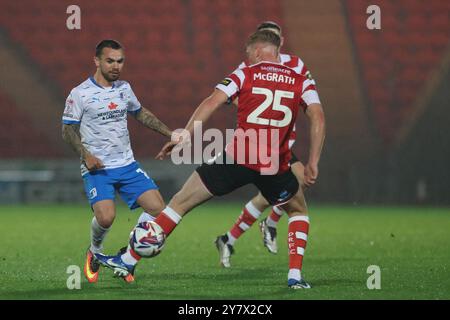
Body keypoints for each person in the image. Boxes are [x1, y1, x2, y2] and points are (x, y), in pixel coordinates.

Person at [96, 30, 326, 289]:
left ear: (260, 51)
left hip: (236, 158)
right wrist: (313, 160)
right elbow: (317, 116)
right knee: (298, 211)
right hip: (275, 163)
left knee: (180, 203)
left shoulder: (244, 74)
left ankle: (128, 258)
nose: (247, 58)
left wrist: (184, 135)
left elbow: (211, 102)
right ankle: (295, 277)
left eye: (249, 53)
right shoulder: (300, 80)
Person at [62, 39, 173, 283]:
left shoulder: (124, 88)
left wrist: (170, 134)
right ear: (97, 61)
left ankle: (129, 252)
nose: (115, 66)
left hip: (127, 165)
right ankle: (95, 251)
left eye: (120, 61)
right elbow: (67, 129)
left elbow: (140, 113)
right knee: (106, 218)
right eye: (110, 61)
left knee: (160, 212)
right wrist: (86, 155)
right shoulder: (80, 93)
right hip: (98, 167)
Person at [216, 21, 321, 267]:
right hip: (260, 143)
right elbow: (229, 97)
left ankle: (232, 237)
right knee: (293, 189)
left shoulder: (296, 65)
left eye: (275, 37)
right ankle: (265, 227)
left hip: (284, 143)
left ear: (280, 41)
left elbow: (308, 99)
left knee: (285, 190)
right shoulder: (248, 66)